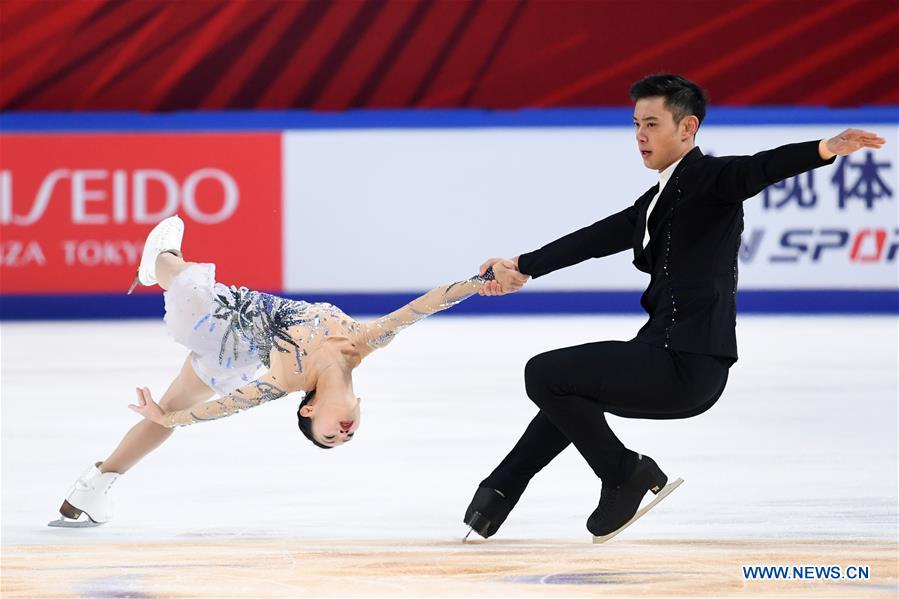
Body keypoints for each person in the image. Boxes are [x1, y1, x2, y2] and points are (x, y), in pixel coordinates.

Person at [463, 73, 886, 543]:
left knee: (543, 373)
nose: (641, 135)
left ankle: (626, 473)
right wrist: (521, 266)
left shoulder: (712, 179)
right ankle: (498, 491)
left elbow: (760, 168)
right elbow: (596, 238)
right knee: (566, 392)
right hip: (666, 356)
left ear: (688, 128)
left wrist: (825, 147)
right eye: (636, 124)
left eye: (653, 123)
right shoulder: (656, 199)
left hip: (686, 362)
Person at [49, 215, 502, 527]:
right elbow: (424, 306)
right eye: (347, 436)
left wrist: (168, 419)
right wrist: (480, 283)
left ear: (308, 413)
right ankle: (93, 488)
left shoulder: (286, 382)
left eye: (329, 436)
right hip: (233, 346)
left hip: (222, 326)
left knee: (187, 293)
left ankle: (163, 258)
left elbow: (225, 407)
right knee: (170, 398)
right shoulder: (366, 341)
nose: (342, 433)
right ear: (359, 408)